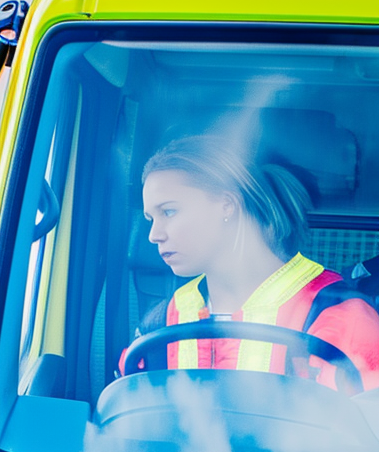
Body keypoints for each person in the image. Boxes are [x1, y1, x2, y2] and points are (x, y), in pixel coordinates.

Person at [120, 135, 379, 387]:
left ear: (227, 205)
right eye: (151, 219)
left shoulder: (339, 317)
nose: (154, 235)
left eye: (169, 211)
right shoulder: (162, 320)